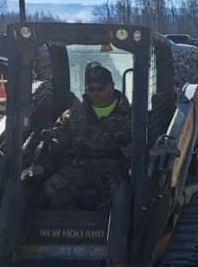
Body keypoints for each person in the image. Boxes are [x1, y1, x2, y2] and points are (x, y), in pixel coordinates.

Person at [24, 61, 132, 209]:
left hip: (112, 172)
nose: (96, 93)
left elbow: (139, 153)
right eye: (91, 89)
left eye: (100, 88)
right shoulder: (73, 115)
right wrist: (46, 144)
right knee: (44, 194)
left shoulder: (131, 116)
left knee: (123, 201)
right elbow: (56, 143)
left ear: (111, 86)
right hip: (76, 170)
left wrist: (127, 147)